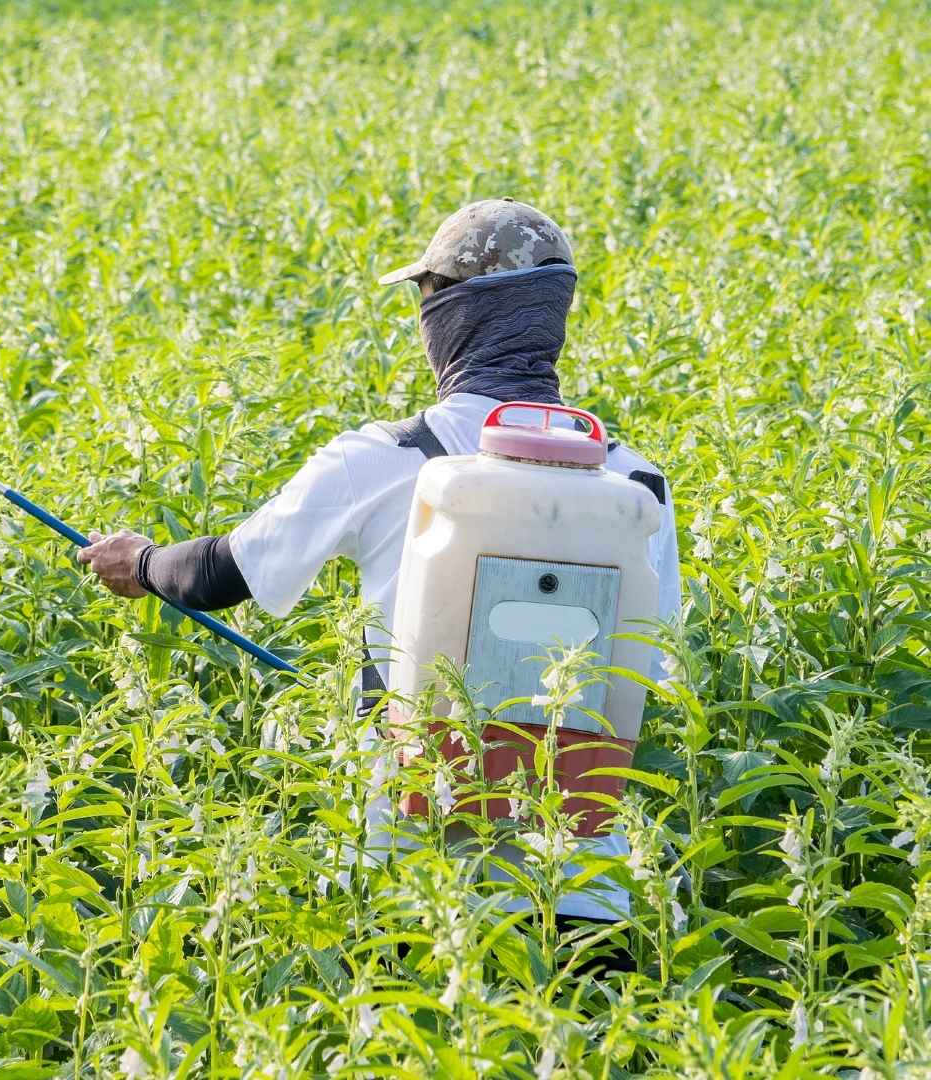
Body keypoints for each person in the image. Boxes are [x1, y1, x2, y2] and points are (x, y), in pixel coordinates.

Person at [77, 198, 681, 944]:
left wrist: (137, 560)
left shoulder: (389, 457)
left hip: (413, 877)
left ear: (453, 313)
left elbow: (212, 576)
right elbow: (655, 662)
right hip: (581, 882)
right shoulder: (637, 485)